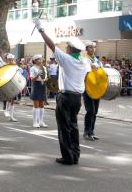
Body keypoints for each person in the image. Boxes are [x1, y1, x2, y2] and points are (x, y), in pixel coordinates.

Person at [33, 18, 90, 165]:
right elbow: (87, 70)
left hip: (65, 96)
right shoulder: (84, 61)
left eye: (67, 47)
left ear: (70, 49)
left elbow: (51, 44)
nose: (65, 49)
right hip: (77, 97)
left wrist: (41, 29)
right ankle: (75, 155)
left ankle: (67, 157)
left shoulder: (67, 59)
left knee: (64, 127)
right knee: (74, 126)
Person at [83, 41, 103, 141]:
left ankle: (91, 131)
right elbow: (86, 71)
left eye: (94, 47)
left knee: (95, 112)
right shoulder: (85, 59)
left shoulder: (97, 60)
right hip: (88, 88)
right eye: (90, 47)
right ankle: (86, 132)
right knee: (90, 111)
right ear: (86, 49)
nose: (92, 49)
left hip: (97, 88)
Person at [30, 54, 48, 128]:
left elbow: (46, 77)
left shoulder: (44, 67)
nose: (40, 60)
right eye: (38, 59)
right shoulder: (33, 68)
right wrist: (37, 75)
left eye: (41, 59)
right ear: (35, 60)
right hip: (36, 85)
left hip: (43, 85)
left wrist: (46, 79)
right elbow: (32, 79)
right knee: (36, 104)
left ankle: (41, 121)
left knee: (42, 105)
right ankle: (35, 122)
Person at [4, 53, 22, 122]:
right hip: (7, 84)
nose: (11, 61)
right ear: (7, 60)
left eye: (12, 60)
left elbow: (20, 73)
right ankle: (6, 110)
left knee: (12, 100)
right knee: (9, 98)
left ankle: (11, 116)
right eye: (9, 60)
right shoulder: (5, 66)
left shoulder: (16, 66)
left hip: (14, 84)